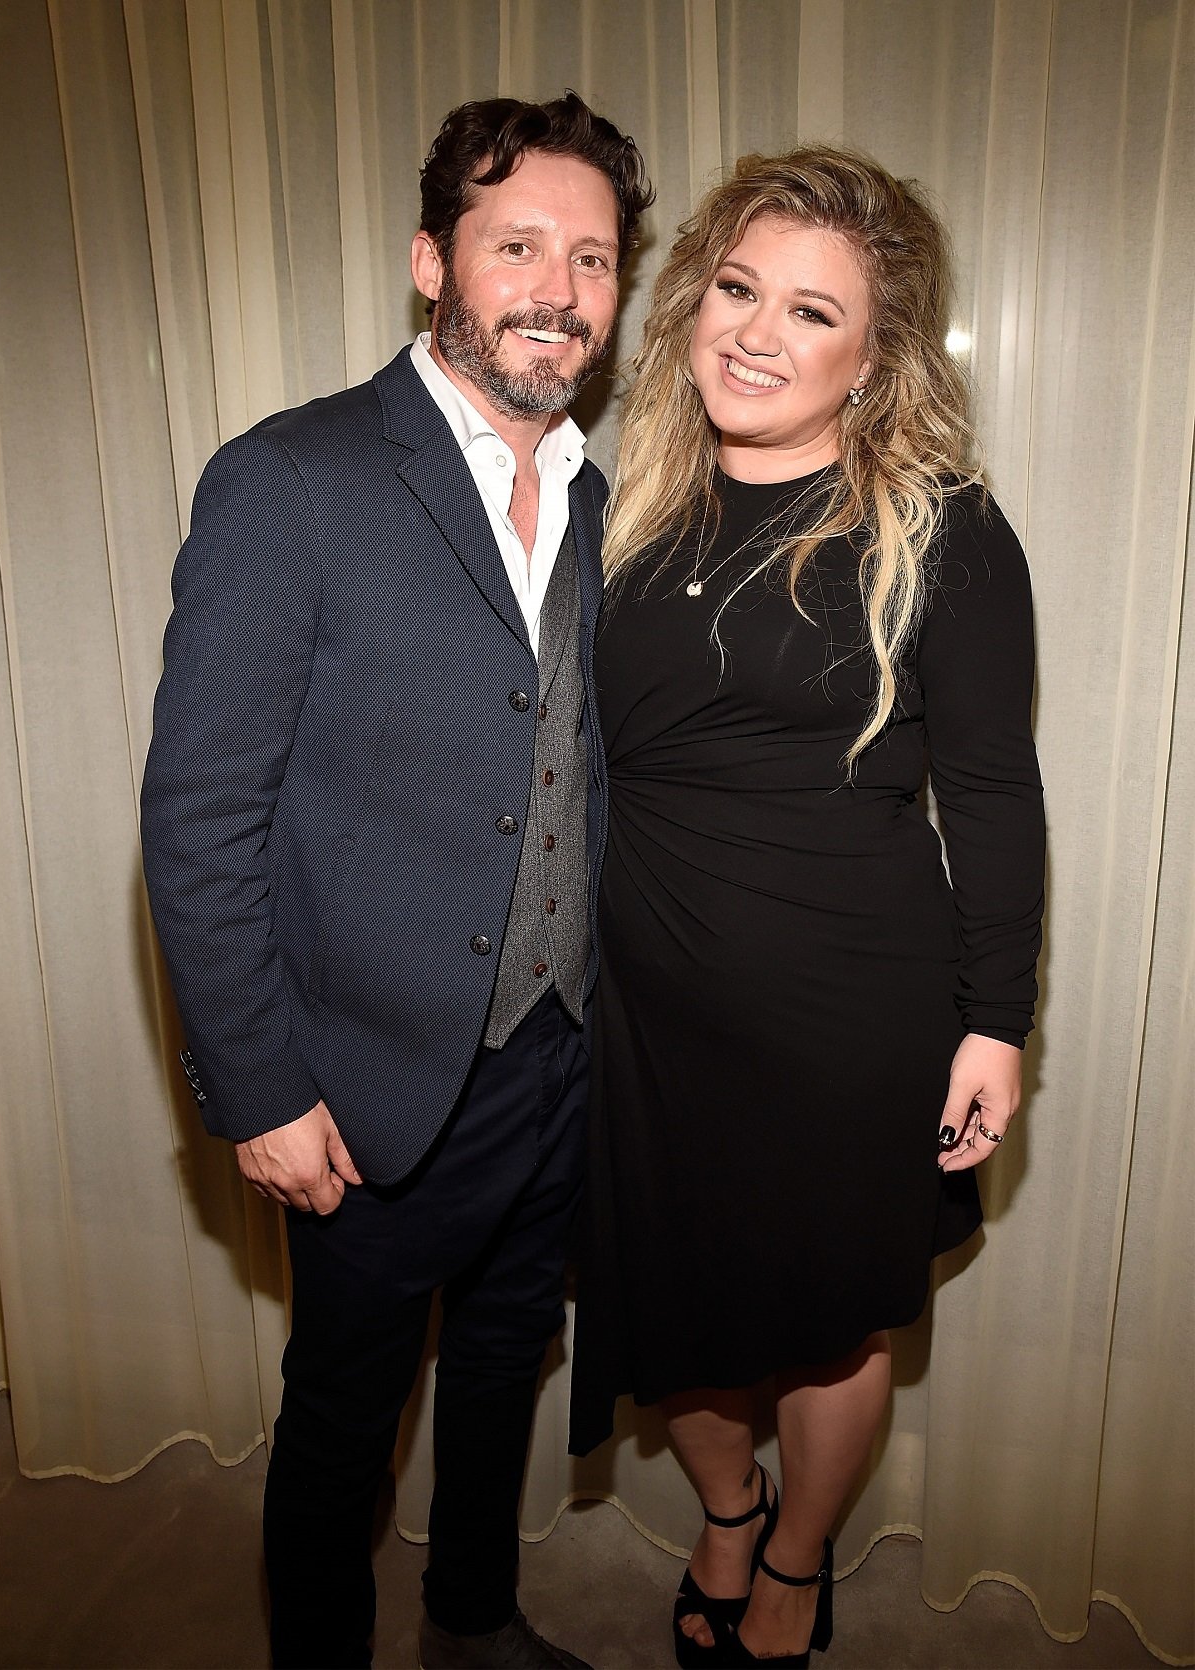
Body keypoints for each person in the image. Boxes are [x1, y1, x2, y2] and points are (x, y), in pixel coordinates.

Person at [141, 92, 652, 1670]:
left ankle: (475, 1616)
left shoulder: (597, 493)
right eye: (518, 246)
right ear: (434, 261)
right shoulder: (288, 480)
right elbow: (198, 814)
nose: (557, 288)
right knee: (346, 1416)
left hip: (556, 1053)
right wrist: (259, 1087)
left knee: (510, 1353)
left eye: (592, 255)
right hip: (362, 1083)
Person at [568, 147, 1045, 1669]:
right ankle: (725, 1506)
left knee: (833, 1319)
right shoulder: (623, 505)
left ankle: (791, 1554)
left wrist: (996, 1020)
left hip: (851, 1016)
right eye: (736, 287)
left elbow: (990, 795)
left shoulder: (945, 530)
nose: (757, 331)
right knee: (675, 1308)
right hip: (642, 1014)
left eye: (812, 309)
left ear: (874, 357)